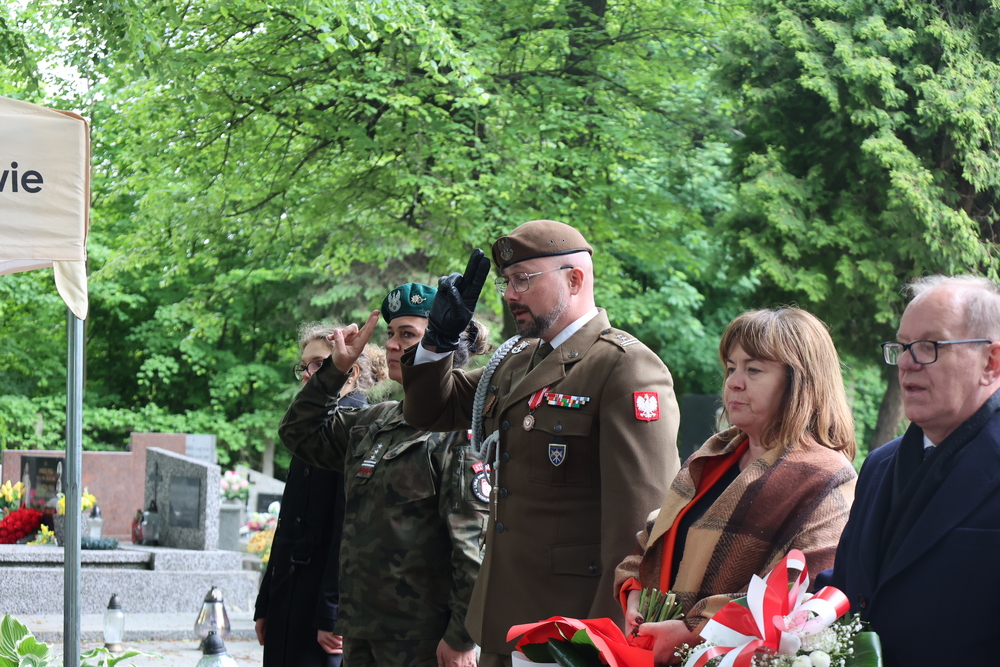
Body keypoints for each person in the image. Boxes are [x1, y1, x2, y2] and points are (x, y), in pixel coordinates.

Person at [400, 220, 682, 667]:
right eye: (507, 282)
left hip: (569, 630)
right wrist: (438, 341)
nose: (510, 294)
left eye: (523, 280)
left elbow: (639, 526)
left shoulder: (624, 368)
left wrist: (605, 646)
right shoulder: (513, 360)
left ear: (575, 280)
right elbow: (427, 411)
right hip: (502, 618)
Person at [614, 308, 858, 666]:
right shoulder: (714, 454)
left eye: (754, 369)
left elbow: (802, 596)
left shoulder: (826, 474)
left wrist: (695, 633)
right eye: (731, 367)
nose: (734, 382)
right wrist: (635, 595)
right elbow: (652, 542)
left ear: (799, 381)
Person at [278, 283, 490, 667]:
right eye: (391, 333)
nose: (391, 344)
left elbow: (471, 547)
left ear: (443, 347)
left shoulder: (460, 431)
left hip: (424, 640)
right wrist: (335, 369)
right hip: (362, 633)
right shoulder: (375, 420)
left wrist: (461, 637)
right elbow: (298, 433)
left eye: (407, 334)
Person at [819, 275, 1000, 666]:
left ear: (991, 361)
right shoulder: (880, 464)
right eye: (902, 347)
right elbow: (848, 588)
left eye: (928, 347)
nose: (905, 362)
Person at [255, 324, 387, 667]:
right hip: (290, 593)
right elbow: (288, 522)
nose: (306, 374)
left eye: (317, 364)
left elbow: (349, 527)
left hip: (321, 603)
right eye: (305, 366)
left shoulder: (360, 425)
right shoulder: (311, 425)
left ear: (350, 370)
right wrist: (267, 601)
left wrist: (332, 613)